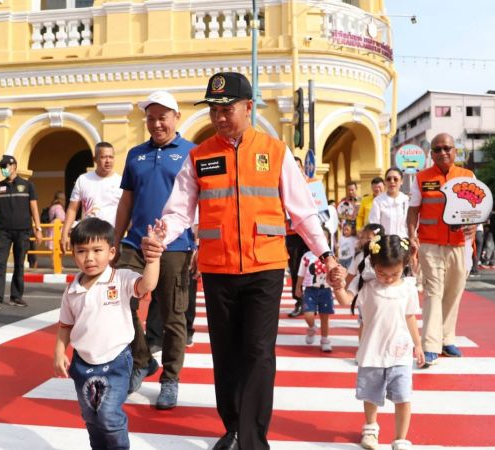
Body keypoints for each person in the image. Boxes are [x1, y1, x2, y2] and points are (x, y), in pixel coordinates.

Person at [141, 72, 343, 450]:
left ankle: (251, 440)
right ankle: (233, 427)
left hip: (264, 268)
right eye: (214, 109)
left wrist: (326, 255)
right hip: (218, 271)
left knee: (258, 353)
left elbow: (303, 212)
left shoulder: (276, 152)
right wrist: (160, 236)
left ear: (248, 107)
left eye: (227, 109)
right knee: (227, 353)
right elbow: (179, 212)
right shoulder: (199, 156)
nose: (219, 117)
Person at [113, 91, 196, 409]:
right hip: (135, 242)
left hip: (175, 245)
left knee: (174, 315)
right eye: (150, 118)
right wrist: (116, 240)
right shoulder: (135, 155)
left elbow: (198, 202)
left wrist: (197, 242)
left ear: (176, 117)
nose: (156, 123)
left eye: (162, 117)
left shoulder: (192, 153)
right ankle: (142, 359)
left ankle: (170, 379)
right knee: (121, 304)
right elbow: (127, 201)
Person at [53, 217, 163, 450]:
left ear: (112, 252)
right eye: (81, 251)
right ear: (73, 254)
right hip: (82, 364)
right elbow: (65, 325)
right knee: (91, 417)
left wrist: (153, 259)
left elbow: (147, 285)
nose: (89, 258)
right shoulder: (72, 290)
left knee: (109, 415)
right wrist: (59, 352)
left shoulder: (120, 279)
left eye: (97, 250)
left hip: (116, 360)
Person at [333, 235, 424, 450]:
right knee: (371, 395)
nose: (388, 278)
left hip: (400, 353)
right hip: (372, 352)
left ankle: (400, 438)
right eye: (382, 273)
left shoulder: (408, 288)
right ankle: (371, 429)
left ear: (404, 266)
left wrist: (418, 344)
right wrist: (337, 285)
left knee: (403, 397)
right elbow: (346, 300)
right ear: (373, 265)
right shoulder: (366, 285)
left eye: (394, 273)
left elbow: (410, 317)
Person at [406, 132, 475, 368]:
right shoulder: (421, 178)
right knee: (433, 293)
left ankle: (447, 339)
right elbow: (413, 210)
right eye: (437, 149)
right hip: (430, 244)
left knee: (454, 292)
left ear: (455, 151)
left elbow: (477, 208)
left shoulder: (467, 176)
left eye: (447, 148)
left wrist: (474, 226)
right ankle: (430, 346)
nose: (442, 152)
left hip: (460, 244)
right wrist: (412, 235)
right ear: (431, 154)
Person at [0, 155, 43, 311]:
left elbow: (34, 208)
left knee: (19, 264)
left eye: (5, 166)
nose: (3, 169)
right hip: (3, 232)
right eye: (1, 167)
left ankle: (16, 297)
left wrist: (38, 229)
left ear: (14, 166)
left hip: (23, 231)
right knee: (0, 264)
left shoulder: (28, 186)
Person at [60, 141, 123, 253]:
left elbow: (127, 211)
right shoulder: (83, 180)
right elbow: (72, 208)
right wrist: (64, 233)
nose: (108, 161)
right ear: (95, 159)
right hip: (87, 236)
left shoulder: (121, 182)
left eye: (111, 157)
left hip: (111, 237)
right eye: (103, 157)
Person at [295, 243, 335, 352]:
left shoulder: (330, 256)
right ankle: (312, 327)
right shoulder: (306, 256)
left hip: (325, 290)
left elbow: (335, 271)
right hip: (310, 290)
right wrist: (298, 287)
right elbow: (301, 273)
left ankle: (325, 340)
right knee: (308, 314)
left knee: (325, 317)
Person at [286, 156, 312, 318]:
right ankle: (299, 301)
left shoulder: (312, 184)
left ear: (302, 168)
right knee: (295, 269)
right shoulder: (285, 185)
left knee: (312, 267)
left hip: (308, 233)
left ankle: (311, 300)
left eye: (298, 167)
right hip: (292, 233)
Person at [368, 168, 408, 237]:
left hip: (403, 242)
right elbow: (374, 223)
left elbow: (410, 224)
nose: (392, 182)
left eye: (395, 179)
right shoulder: (378, 201)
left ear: (401, 181)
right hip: (384, 242)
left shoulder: (406, 200)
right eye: (388, 179)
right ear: (385, 182)